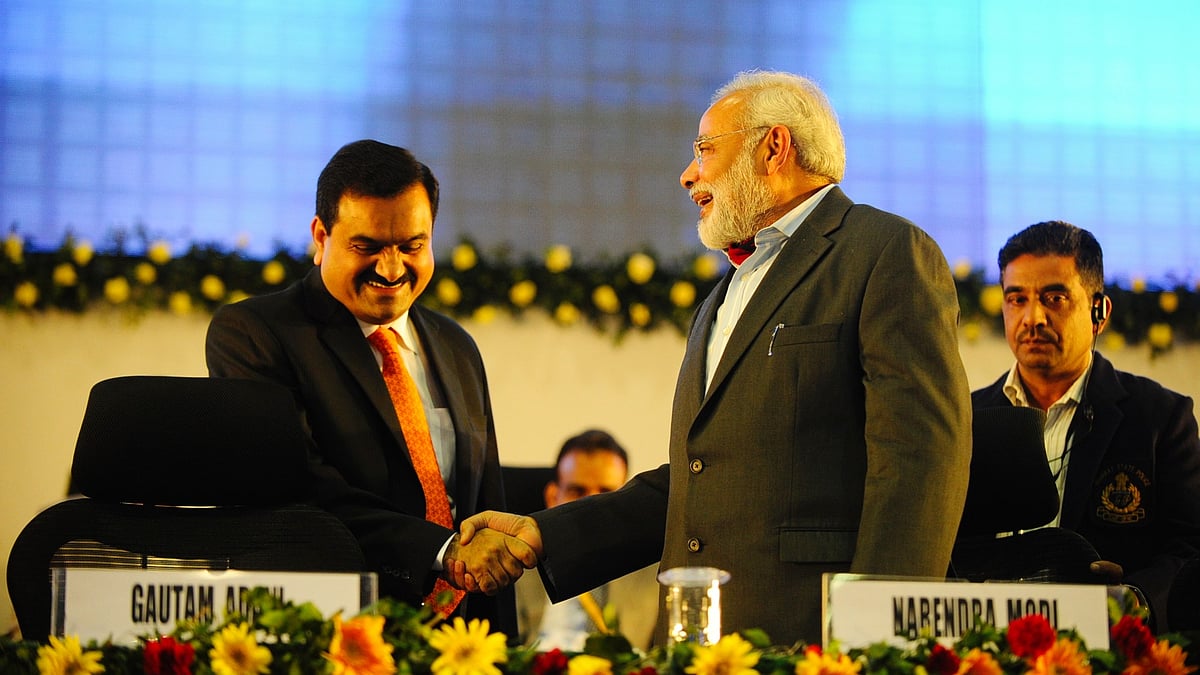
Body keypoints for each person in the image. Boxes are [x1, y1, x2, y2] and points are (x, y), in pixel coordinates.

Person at [458, 70, 973, 645]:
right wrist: (541, 533)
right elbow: (700, 482)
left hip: (810, 637)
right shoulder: (722, 296)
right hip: (694, 642)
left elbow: (921, 461)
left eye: (704, 149)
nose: (687, 175)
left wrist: (881, 637)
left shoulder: (884, 252)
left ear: (773, 147)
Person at [205, 140, 535, 635]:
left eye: (412, 246)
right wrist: (442, 552)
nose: (391, 268)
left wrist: (500, 650)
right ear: (321, 236)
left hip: (456, 647)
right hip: (326, 637)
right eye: (368, 247)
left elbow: (485, 507)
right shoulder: (255, 333)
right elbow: (295, 488)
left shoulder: (456, 346)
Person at [972, 220, 1200, 631]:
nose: (1032, 317)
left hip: (1113, 644)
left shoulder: (1160, 419)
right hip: (986, 639)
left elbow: (1191, 549)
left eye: (1054, 297)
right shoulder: (966, 418)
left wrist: (1135, 599)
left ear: (1100, 312)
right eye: (1016, 299)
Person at [514, 429, 660, 650]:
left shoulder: (657, 572)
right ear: (553, 497)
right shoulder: (517, 566)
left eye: (606, 493)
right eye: (577, 490)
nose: (591, 506)